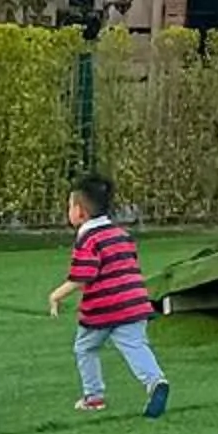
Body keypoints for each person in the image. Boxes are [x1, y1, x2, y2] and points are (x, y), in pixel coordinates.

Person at [49, 174, 168, 418]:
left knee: (85, 348)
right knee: (136, 346)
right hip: (134, 304)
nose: (68, 211)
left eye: (69, 206)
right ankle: (156, 382)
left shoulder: (88, 239)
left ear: (80, 212)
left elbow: (83, 275)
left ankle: (93, 397)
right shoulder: (121, 235)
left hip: (103, 310)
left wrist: (56, 296)